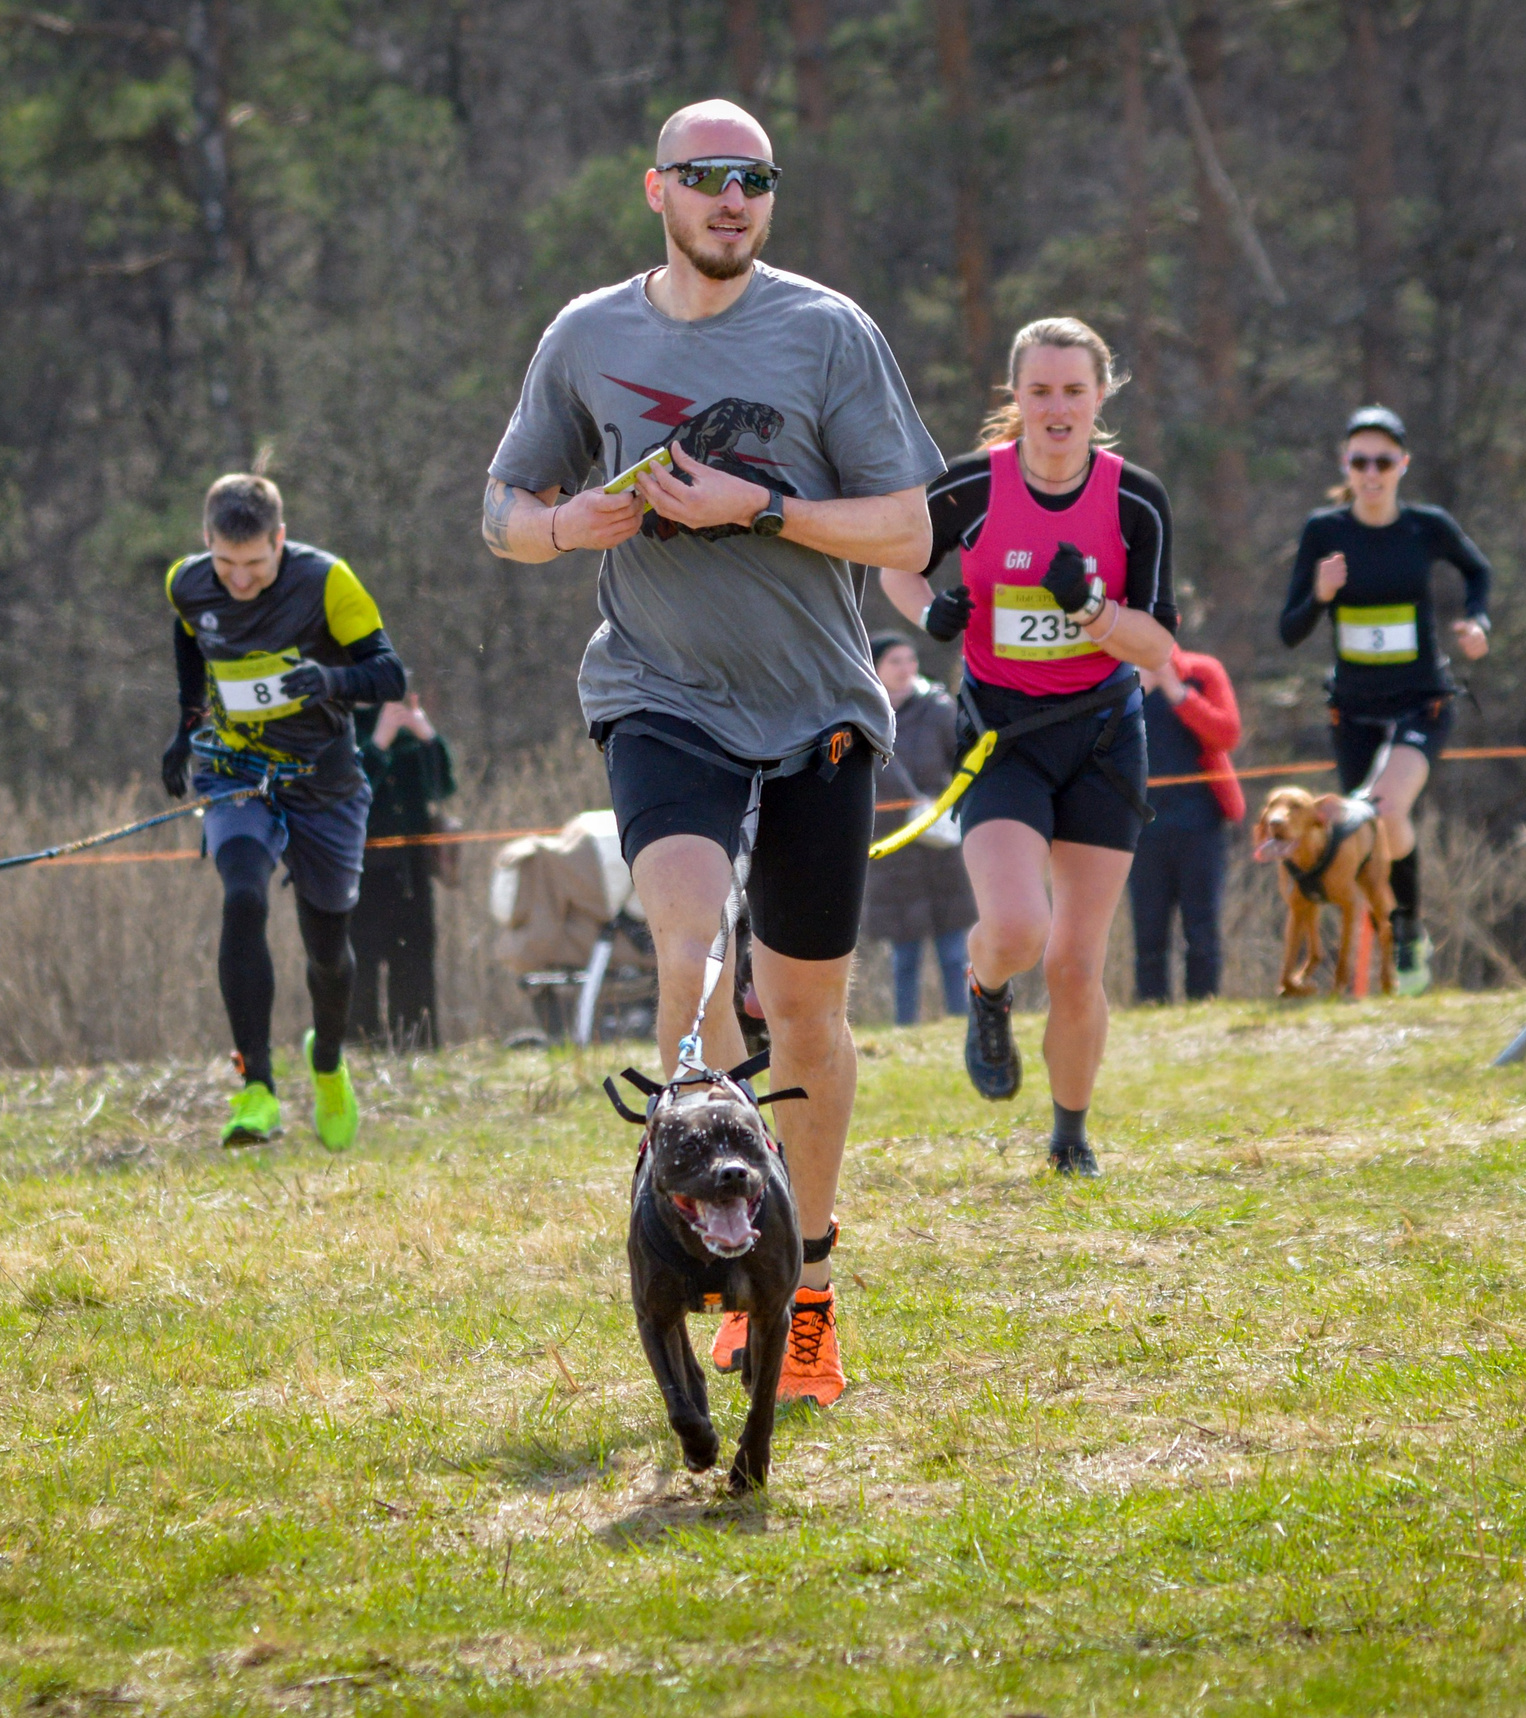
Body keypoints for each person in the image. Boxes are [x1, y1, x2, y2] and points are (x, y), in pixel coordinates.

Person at [482, 98, 942, 1404]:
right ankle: (699, 1235)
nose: (734, 199)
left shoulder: (827, 332)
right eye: (708, 178)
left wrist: (769, 509)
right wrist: (570, 525)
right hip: (660, 693)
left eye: (756, 179)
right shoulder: (588, 336)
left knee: (803, 1012)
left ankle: (805, 1277)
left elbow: (910, 530)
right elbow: (502, 511)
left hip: (819, 711)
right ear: (656, 191)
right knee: (692, 953)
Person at [884, 316, 1178, 1176]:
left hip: (1100, 738)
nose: (1057, 408)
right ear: (1016, 396)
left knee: (1077, 962)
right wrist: (927, 610)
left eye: (1074, 392)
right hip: (1003, 740)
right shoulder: (972, 487)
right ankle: (985, 990)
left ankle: (1070, 1135)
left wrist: (1090, 611)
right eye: (1040, 391)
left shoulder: (1135, 500)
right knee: (1015, 930)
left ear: (1100, 396)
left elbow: (1159, 648)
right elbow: (895, 561)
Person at [163, 472, 407, 1152]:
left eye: (256, 564)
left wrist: (329, 680)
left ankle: (326, 1059)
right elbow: (188, 638)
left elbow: (390, 676)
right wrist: (187, 726)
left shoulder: (326, 581)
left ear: (280, 540)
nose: (239, 580)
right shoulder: (187, 582)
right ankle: (257, 1089)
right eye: (226, 564)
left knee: (327, 948)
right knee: (242, 897)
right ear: (207, 542)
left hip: (323, 780)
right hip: (236, 769)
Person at [1277, 405, 1494, 994]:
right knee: (1373, 829)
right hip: (1352, 711)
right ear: (1344, 466)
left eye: (1383, 461)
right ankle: (1404, 927)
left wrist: (1477, 621)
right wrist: (1321, 595)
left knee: (1386, 808)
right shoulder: (1325, 531)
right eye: (1359, 461)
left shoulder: (1427, 527)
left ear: (1403, 465)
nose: (1371, 473)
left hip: (1421, 703)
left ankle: (1407, 930)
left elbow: (1478, 572)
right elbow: (1289, 629)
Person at [859, 633, 974, 1025]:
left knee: (955, 952)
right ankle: (904, 1027)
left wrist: (948, 807)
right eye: (895, 661)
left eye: (910, 659)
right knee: (904, 957)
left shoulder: (939, 709)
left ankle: (962, 1023)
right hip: (892, 851)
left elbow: (965, 763)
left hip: (942, 846)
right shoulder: (862, 715)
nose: (906, 668)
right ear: (874, 666)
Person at [1126, 644, 1244, 1003]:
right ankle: (1151, 1004)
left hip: (1201, 822)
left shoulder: (1203, 671)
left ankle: (1203, 1001)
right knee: (1148, 930)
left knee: (1202, 926)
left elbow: (1227, 734)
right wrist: (1137, 693)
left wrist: (1178, 693)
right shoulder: (1115, 679)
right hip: (1139, 827)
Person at [351, 691, 456, 1051]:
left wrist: (426, 733)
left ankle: (416, 1042)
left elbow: (443, 785)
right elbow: (348, 790)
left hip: (410, 866)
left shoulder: (404, 725)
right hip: (358, 867)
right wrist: (378, 743)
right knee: (360, 958)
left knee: (413, 952)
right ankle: (361, 1043)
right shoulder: (337, 725)